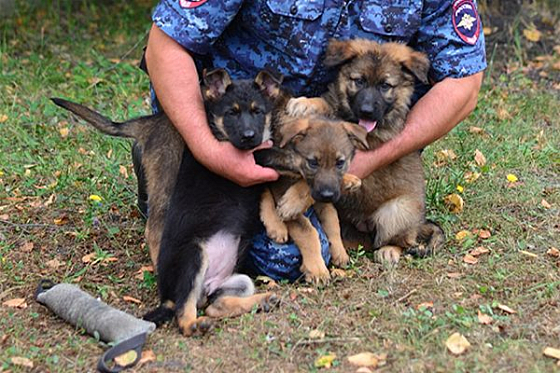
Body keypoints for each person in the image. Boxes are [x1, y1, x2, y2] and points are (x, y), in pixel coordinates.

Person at [136, 0, 486, 279]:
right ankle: (175, 170)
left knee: (285, 259)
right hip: (241, 125)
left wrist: (363, 161)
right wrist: (208, 150)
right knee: (256, 253)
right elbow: (165, 47)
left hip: (328, 151)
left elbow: (464, 84)